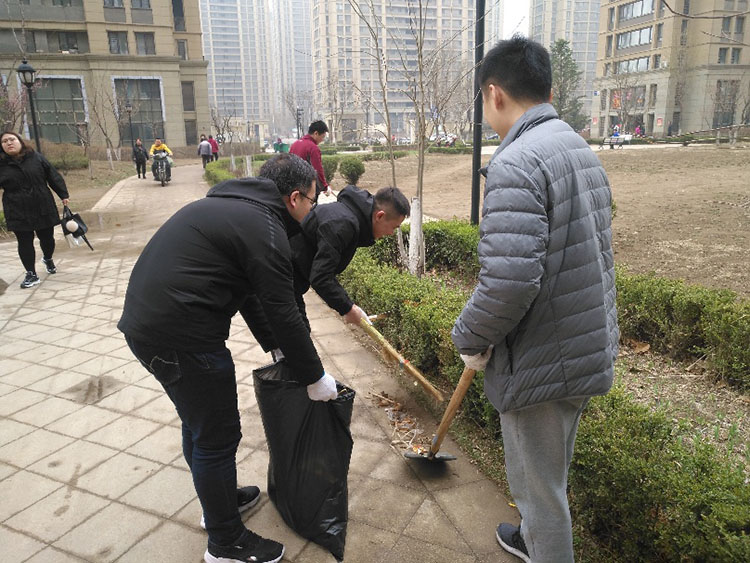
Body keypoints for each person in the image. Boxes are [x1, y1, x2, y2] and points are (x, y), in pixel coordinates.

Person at [118, 154, 335, 563]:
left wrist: (275, 347)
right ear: (294, 198)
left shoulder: (234, 209)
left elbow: (251, 295)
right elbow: (283, 309)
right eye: (313, 200)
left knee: (198, 425)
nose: (313, 209)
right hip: (183, 338)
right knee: (217, 437)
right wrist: (315, 375)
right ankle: (225, 543)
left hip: (148, 329)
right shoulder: (265, 228)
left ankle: (218, 503)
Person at [450, 36, 618, 563]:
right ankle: (529, 540)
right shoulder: (576, 147)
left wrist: (469, 336)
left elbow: (509, 281)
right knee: (550, 478)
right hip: (583, 344)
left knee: (540, 497)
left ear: (494, 93)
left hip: (541, 360)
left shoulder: (516, 162)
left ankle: (541, 544)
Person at [292, 185, 410, 330]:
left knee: (299, 337)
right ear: (379, 216)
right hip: (277, 278)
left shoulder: (351, 217)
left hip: (290, 282)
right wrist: (349, 309)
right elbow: (321, 277)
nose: (391, 233)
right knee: (296, 340)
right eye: (393, 227)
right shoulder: (343, 224)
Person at [0, 131, 69, 289]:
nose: (9, 143)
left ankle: (47, 258)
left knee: (47, 238)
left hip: (42, 203)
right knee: (24, 241)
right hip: (16, 206)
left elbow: (52, 175)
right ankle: (31, 273)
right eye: (4, 141)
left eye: (12, 139)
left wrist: (63, 194)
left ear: (20, 141)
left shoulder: (36, 157)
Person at [290, 120, 331, 199]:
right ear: (316, 133)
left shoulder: (295, 144)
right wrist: (325, 187)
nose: (322, 140)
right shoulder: (313, 148)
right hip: (307, 188)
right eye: (322, 136)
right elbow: (318, 170)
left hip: (294, 186)